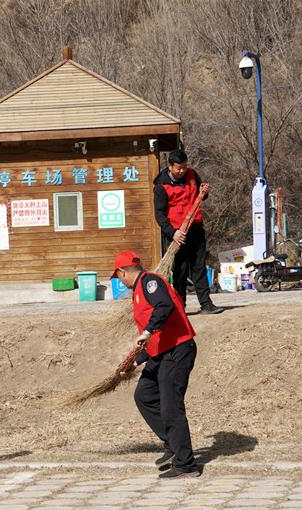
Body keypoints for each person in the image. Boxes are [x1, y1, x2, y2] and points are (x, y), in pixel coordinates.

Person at [113, 251, 201, 479]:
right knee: (145, 395)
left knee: (171, 406)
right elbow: (154, 340)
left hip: (178, 351)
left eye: (118, 277)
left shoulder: (150, 283)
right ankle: (172, 444)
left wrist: (147, 331)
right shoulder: (139, 291)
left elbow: (164, 307)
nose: (120, 282)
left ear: (123, 272)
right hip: (162, 354)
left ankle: (186, 464)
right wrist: (137, 361)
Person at [153, 149, 223, 314]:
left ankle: (206, 304)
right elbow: (160, 214)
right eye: (179, 168)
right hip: (177, 234)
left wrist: (204, 193)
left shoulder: (192, 174)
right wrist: (173, 232)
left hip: (196, 228)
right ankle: (180, 307)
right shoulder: (161, 185)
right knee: (180, 270)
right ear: (170, 166)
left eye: (184, 167)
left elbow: (200, 196)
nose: (182, 171)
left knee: (199, 267)